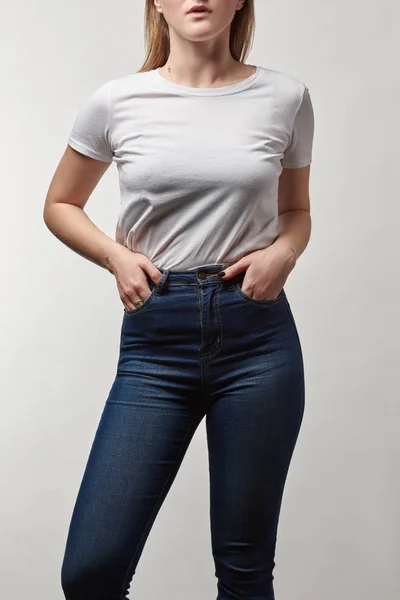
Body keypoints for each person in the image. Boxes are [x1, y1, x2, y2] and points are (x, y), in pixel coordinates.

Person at [43, 1, 315, 598]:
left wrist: (283, 253)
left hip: (258, 340)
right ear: (156, 2)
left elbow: (296, 212)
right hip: (155, 344)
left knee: (244, 570)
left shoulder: (286, 98)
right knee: (90, 572)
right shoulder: (116, 102)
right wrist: (114, 257)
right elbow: (59, 204)